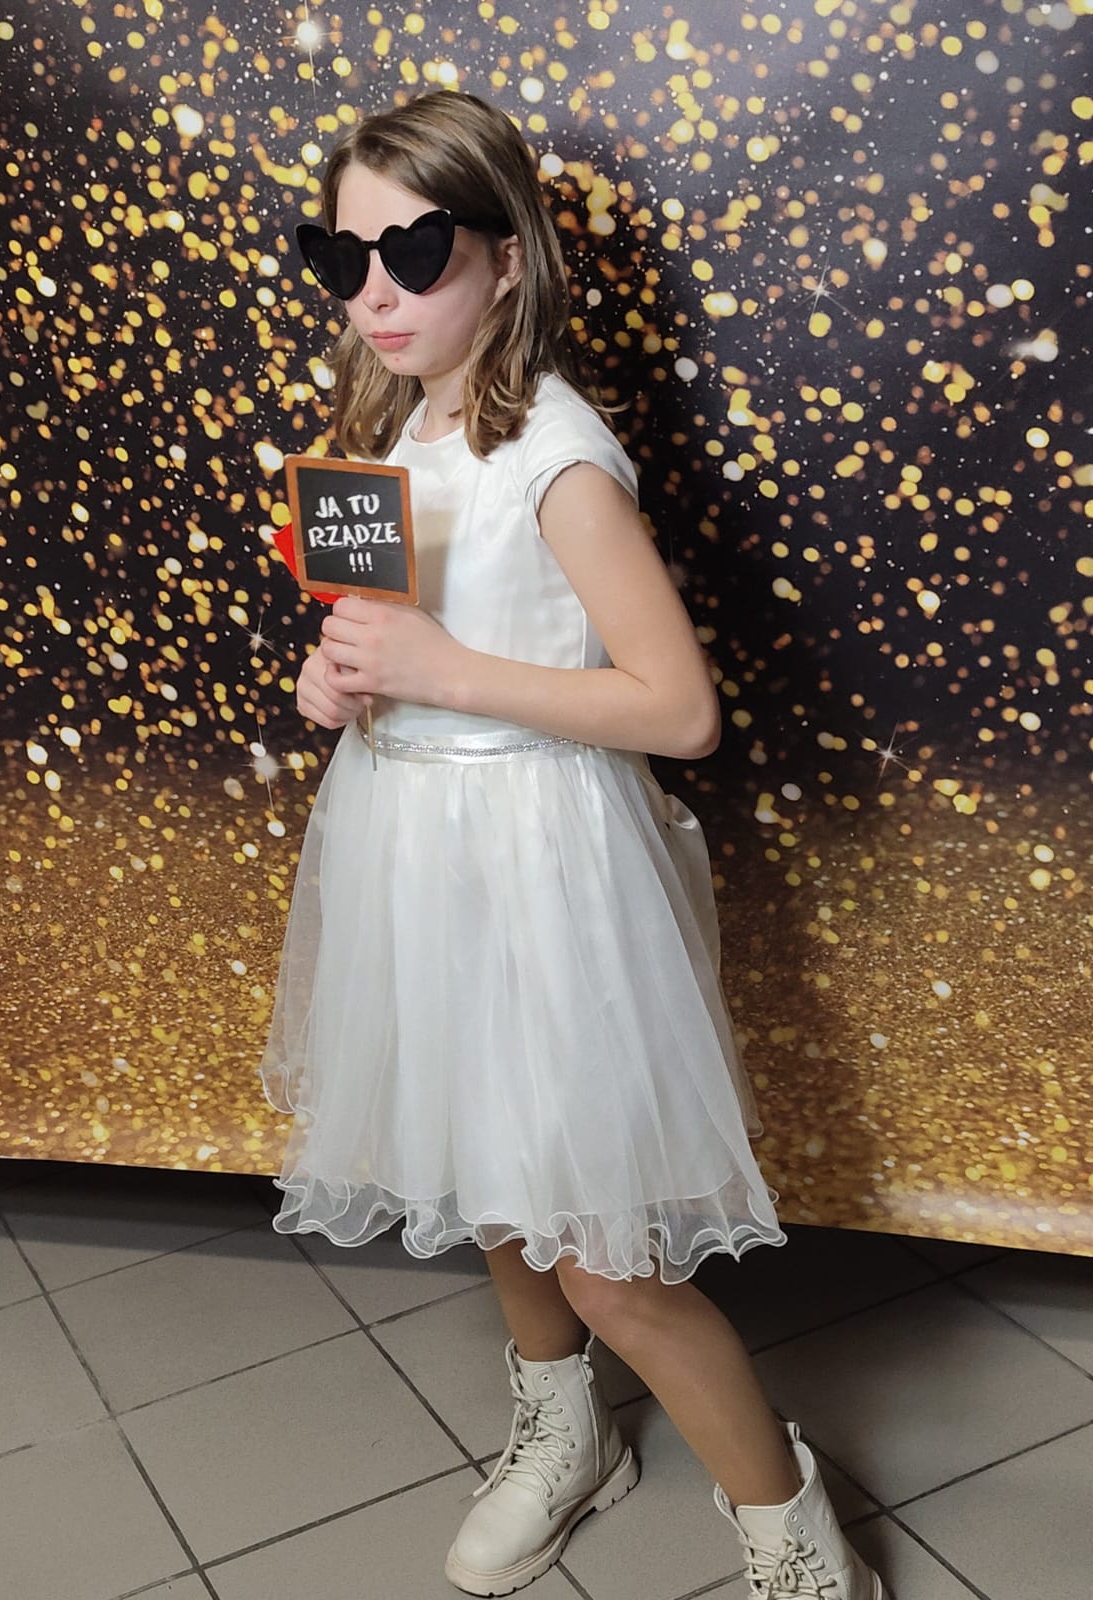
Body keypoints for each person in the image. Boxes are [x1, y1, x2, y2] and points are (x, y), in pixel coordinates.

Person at [261, 90, 887, 1600]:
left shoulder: (556, 453)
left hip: (537, 865)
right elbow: (374, 643)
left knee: (608, 1261)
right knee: (482, 1169)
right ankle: (565, 1433)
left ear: (507, 258)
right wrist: (341, 678)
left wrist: (446, 670)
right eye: (343, 258)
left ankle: (787, 1527)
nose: (378, 293)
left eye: (416, 251)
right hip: (409, 843)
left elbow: (679, 708)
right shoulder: (383, 428)